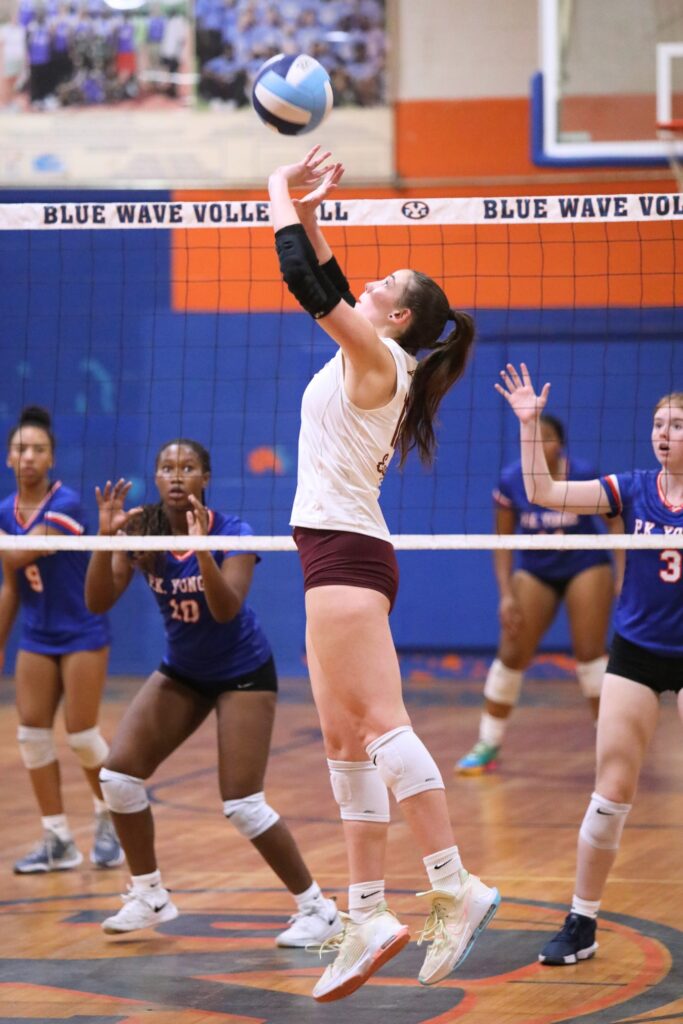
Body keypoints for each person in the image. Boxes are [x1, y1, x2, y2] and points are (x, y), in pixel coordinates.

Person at [267, 146, 500, 1002]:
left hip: (346, 552)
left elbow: (309, 283)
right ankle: (365, 911)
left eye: (380, 288)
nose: (365, 287)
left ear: (395, 320)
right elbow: (327, 267)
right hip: (326, 550)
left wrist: (276, 193)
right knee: (340, 740)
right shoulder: (383, 352)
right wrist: (316, 211)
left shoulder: (375, 360)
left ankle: (455, 882)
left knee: (380, 724)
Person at [84, 438, 341, 946]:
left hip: (243, 671)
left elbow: (226, 609)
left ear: (205, 478)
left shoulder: (233, 532)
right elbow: (97, 602)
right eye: (166, 467)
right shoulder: (142, 530)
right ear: (155, 479)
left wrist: (202, 551)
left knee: (242, 802)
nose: (176, 475)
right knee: (117, 777)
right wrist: (104, 540)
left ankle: (319, 910)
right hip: (184, 671)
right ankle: (150, 893)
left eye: (188, 467)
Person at [495, 363, 683, 966]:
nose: (664, 433)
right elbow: (545, 493)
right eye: (658, 424)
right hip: (637, 652)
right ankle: (581, 921)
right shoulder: (631, 489)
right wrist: (529, 427)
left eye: (677, 425)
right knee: (609, 793)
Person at [455, 413, 616, 775]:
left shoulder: (583, 472)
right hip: (537, 570)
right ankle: (488, 744)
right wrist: (506, 594)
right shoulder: (512, 479)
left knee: (590, 655)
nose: (537, 445)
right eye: (530, 439)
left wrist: (623, 569)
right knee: (511, 651)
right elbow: (503, 542)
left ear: (561, 443)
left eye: (545, 438)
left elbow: (615, 521)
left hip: (585, 564)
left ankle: (611, 745)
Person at [0, 406, 123, 874]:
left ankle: (108, 817)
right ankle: (57, 838)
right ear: (9, 459)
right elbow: (11, 581)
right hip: (36, 633)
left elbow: (26, 549)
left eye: (38, 449)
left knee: (82, 735)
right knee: (30, 736)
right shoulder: (4, 513)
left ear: (51, 459)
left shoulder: (66, 502)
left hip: (81, 630)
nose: (28, 456)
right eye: (20, 449)